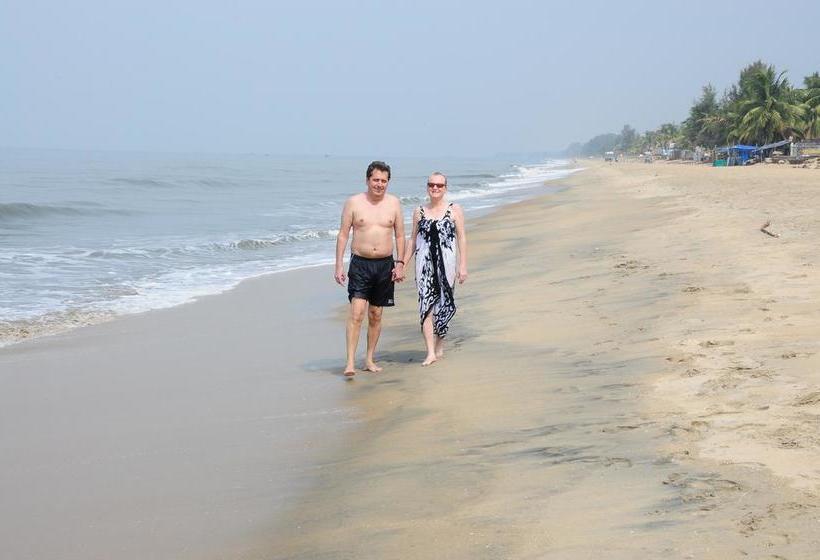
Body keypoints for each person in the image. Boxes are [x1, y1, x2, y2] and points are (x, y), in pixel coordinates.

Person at [335, 161, 406, 378]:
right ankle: (350, 362)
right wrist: (338, 265)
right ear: (367, 180)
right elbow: (343, 234)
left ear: (388, 182)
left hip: (385, 265)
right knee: (356, 313)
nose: (379, 184)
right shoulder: (354, 202)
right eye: (376, 180)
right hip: (360, 264)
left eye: (384, 181)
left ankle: (369, 359)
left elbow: (400, 235)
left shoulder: (394, 203)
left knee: (375, 314)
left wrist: (400, 264)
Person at [405, 172, 467, 366]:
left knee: (444, 304)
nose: (435, 188)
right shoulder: (419, 211)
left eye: (439, 185)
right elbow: (412, 240)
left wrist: (463, 265)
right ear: (427, 187)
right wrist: (402, 264)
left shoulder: (454, 209)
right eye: (432, 184)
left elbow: (462, 238)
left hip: (447, 265)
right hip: (423, 266)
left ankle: (439, 343)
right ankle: (430, 352)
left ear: (445, 188)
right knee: (426, 306)